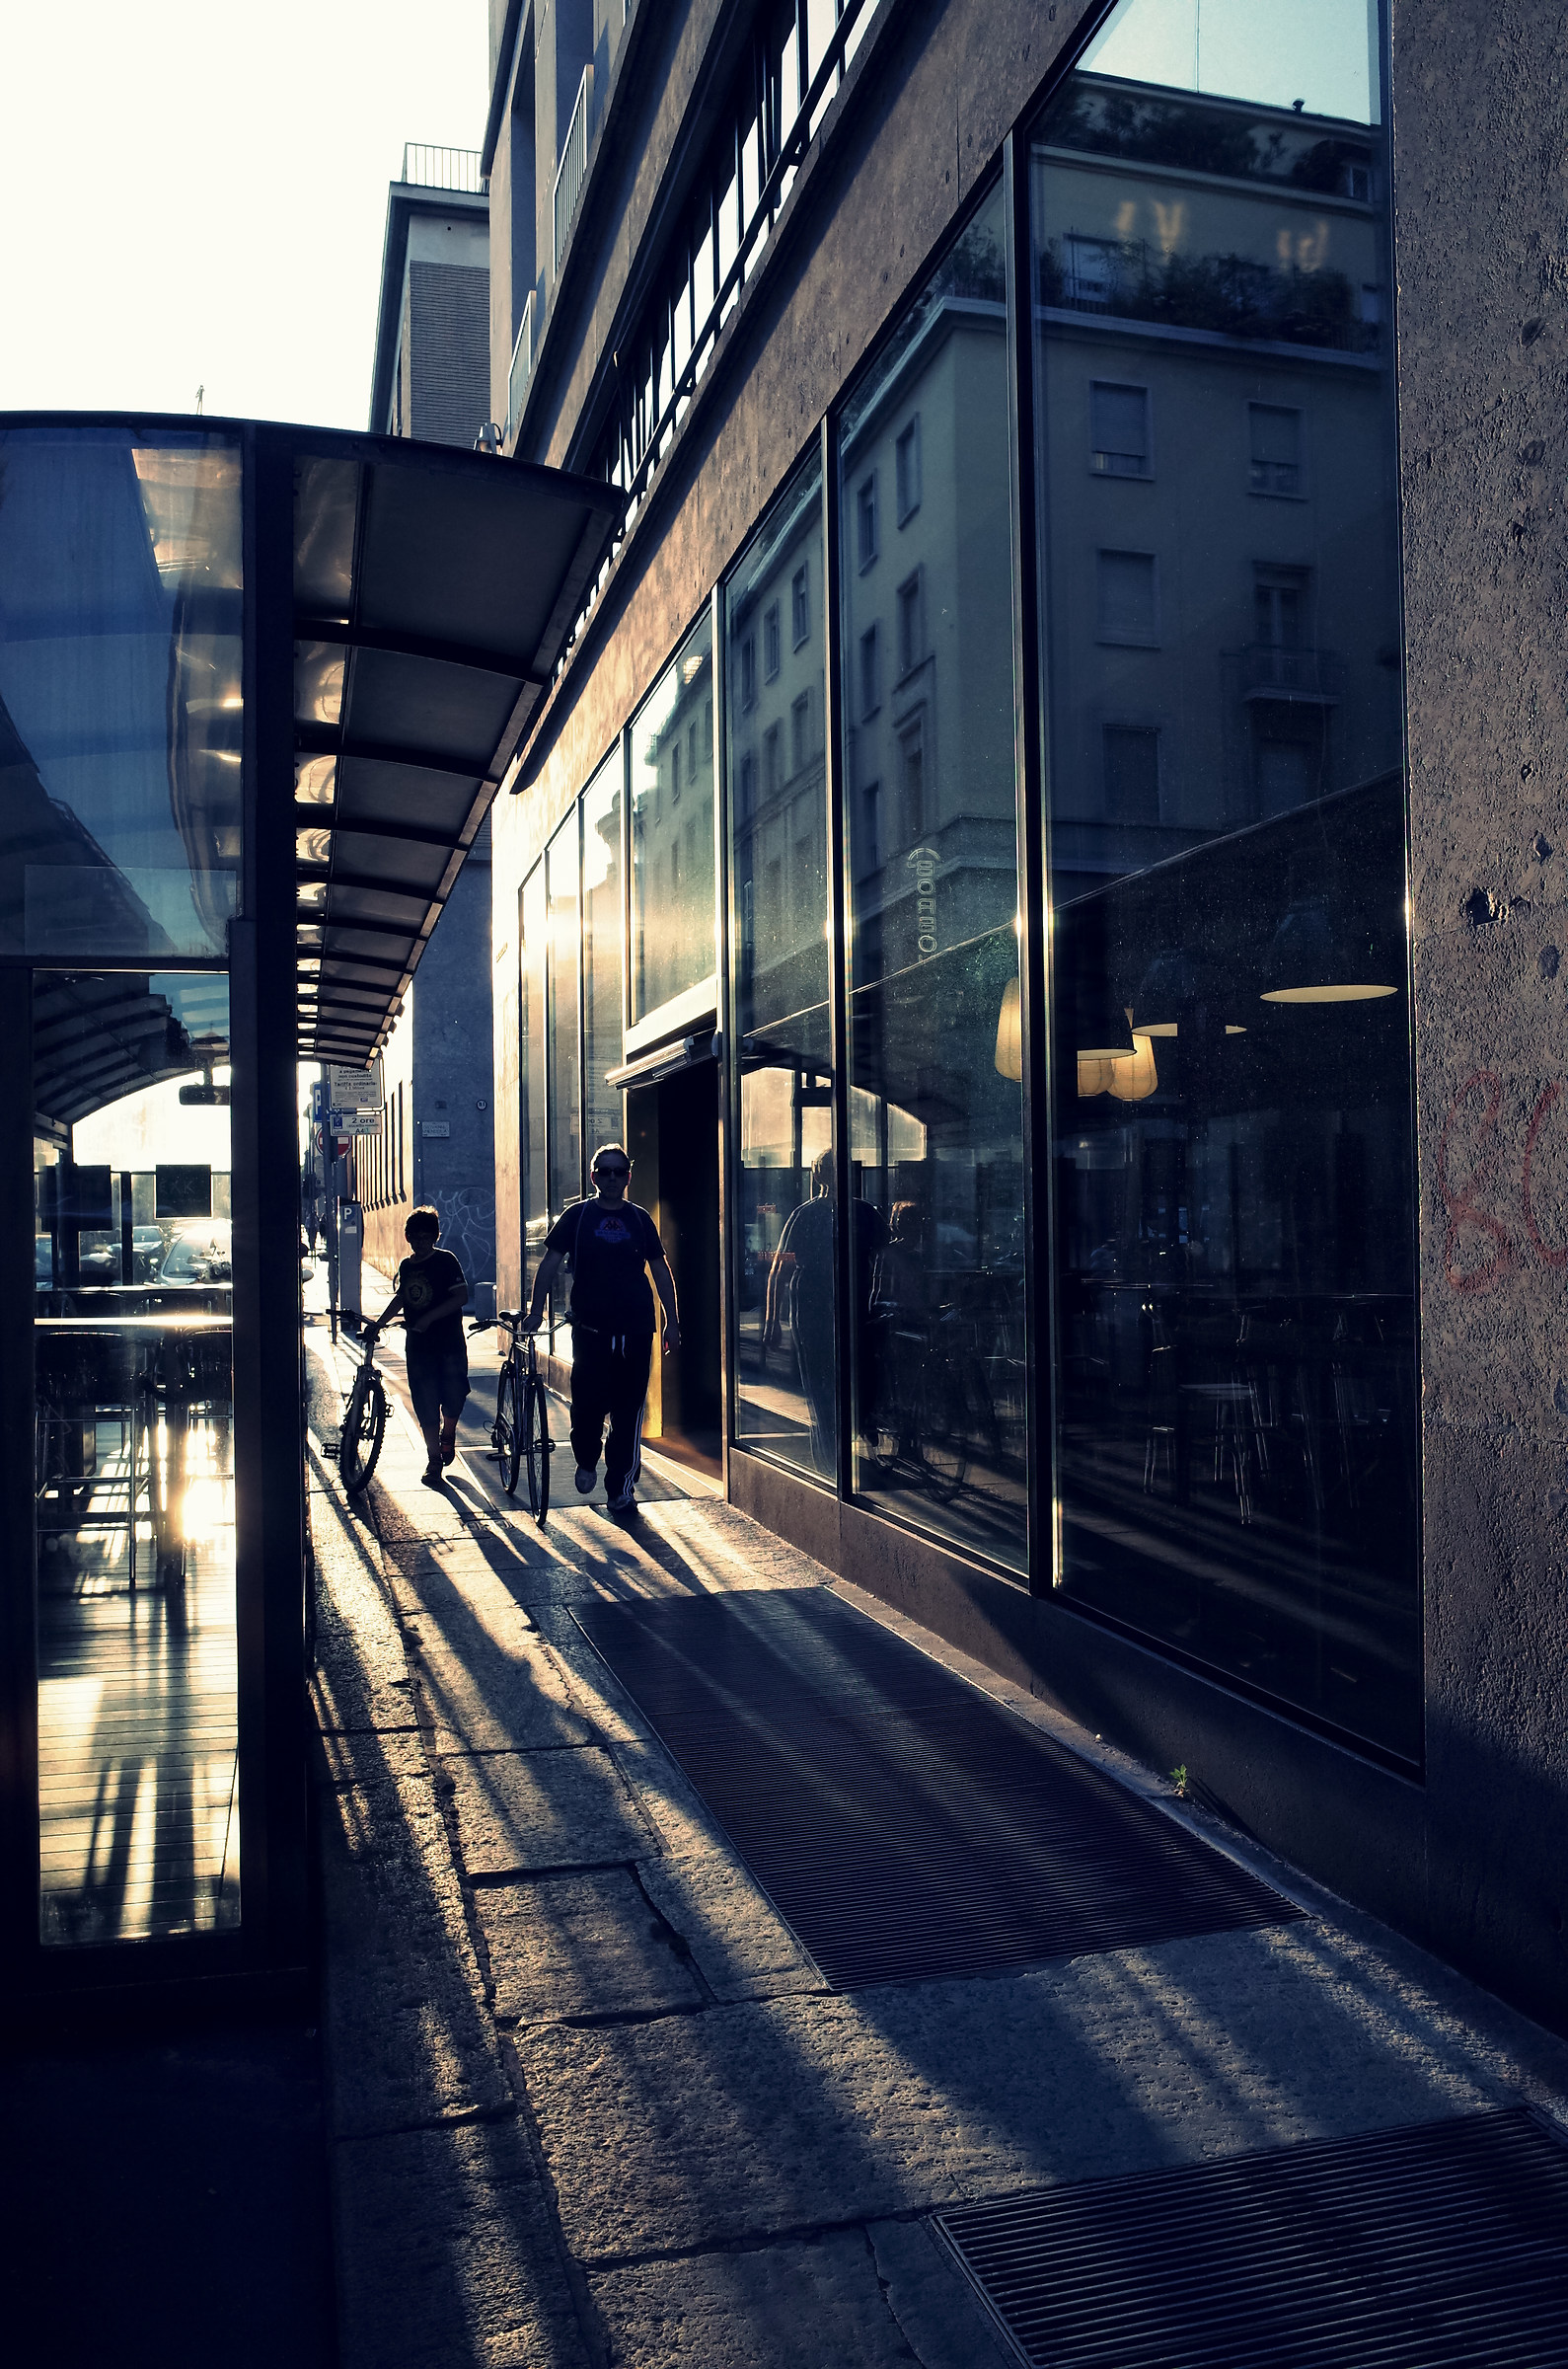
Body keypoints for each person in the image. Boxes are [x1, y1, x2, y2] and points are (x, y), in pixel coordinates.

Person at [522, 1142, 679, 1517]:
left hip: (636, 1330)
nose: (612, 1178)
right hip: (590, 1332)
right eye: (604, 1172)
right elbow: (549, 1264)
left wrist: (673, 1321)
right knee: (587, 1408)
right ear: (594, 1176)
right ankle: (587, 1457)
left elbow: (660, 1270)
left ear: (628, 1177)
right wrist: (536, 1311)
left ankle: (620, 1490)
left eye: (618, 1172)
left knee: (628, 1413)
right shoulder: (577, 1217)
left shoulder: (640, 1219)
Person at [366, 1204, 471, 1487]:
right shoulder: (407, 1265)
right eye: (415, 1237)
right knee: (425, 1402)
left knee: (454, 1396)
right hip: (418, 1346)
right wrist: (379, 1322)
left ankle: (448, 1433)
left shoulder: (446, 1260)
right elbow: (402, 1297)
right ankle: (434, 1460)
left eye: (426, 1237)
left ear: (436, 1236)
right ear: (407, 1237)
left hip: (449, 1343)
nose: (421, 1242)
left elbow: (461, 1296)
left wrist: (429, 1318)